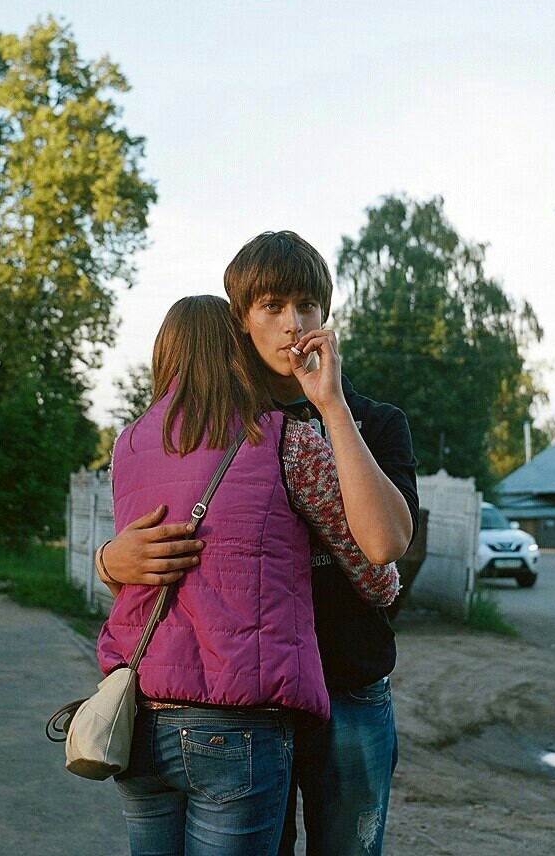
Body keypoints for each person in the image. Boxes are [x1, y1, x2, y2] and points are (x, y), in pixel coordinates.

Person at [100, 234, 419, 856]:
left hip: (348, 685)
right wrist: (110, 560)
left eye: (306, 306)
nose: (292, 325)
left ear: (325, 314)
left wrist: (330, 408)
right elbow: (171, 540)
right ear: (240, 321)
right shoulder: (222, 428)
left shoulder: (374, 423)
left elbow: (385, 545)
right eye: (271, 307)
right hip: (250, 702)